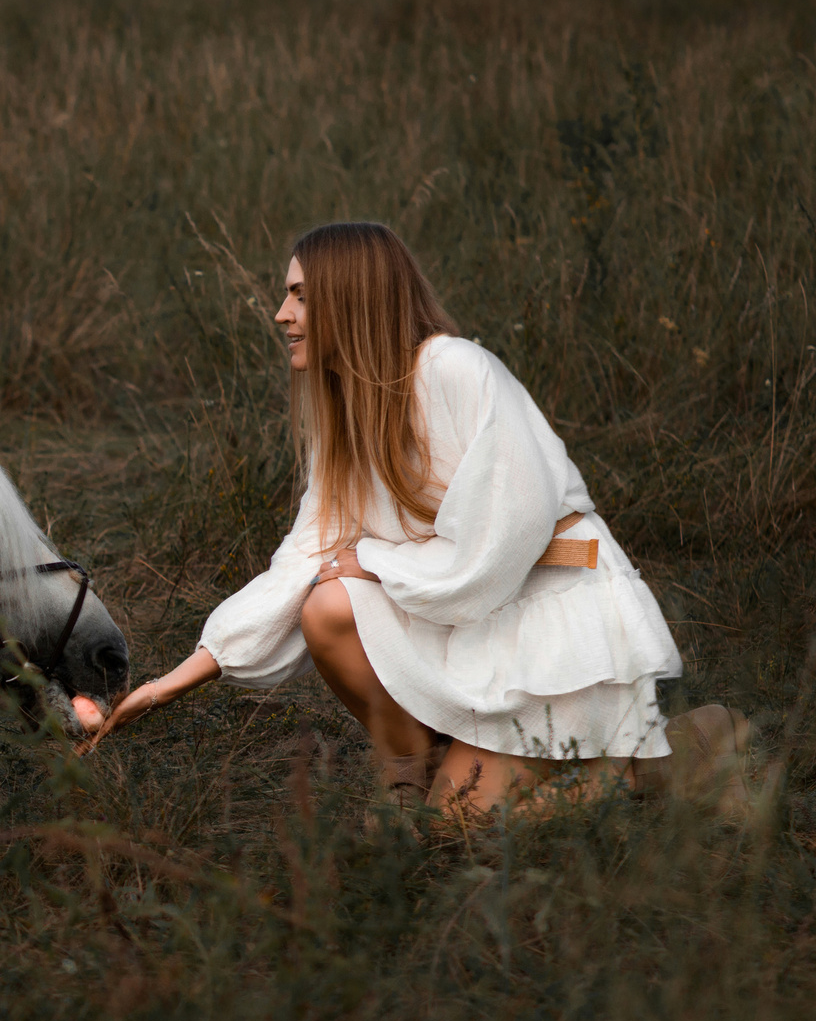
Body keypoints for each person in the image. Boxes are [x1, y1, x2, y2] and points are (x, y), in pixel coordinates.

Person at [90, 220, 689, 812]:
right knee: (325, 601)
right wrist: (165, 686)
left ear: (352, 296)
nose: (280, 313)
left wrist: (375, 558)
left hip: (544, 614)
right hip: (465, 611)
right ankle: (413, 769)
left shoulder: (455, 368)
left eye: (299, 295)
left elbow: (501, 543)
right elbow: (303, 558)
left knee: (462, 823)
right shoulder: (348, 410)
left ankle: (668, 766)